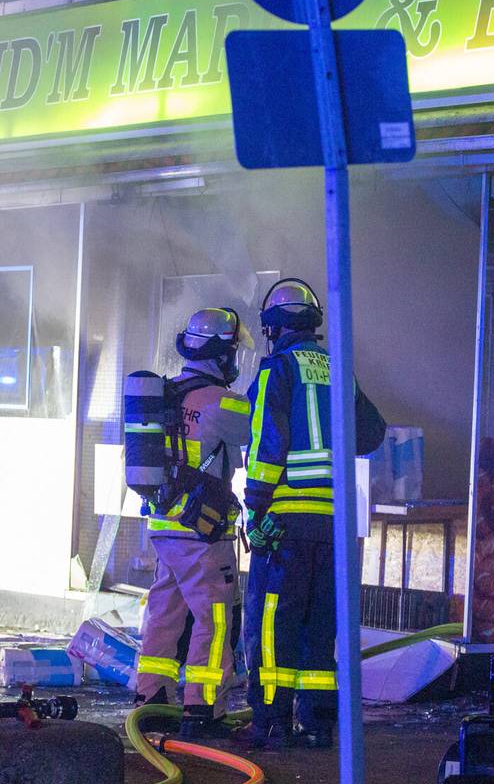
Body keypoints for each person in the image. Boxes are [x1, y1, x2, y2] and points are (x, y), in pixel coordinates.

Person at [234, 279, 386, 749]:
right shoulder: (342, 372)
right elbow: (372, 434)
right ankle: (319, 726)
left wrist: (254, 507)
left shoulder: (276, 370)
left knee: (273, 625)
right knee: (321, 629)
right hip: (334, 527)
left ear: (276, 328)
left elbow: (267, 443)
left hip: (285, 523)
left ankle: (271, 725)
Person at [134, 307, 253, 739]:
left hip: (165, 526)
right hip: (204, 533)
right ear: (223, 355)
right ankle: (204, 709)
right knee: (215, 618)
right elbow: (263, 434)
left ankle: (152, 698)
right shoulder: (224, 402)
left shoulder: (166, 394)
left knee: (165, 613)